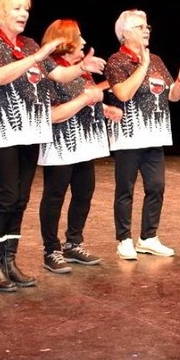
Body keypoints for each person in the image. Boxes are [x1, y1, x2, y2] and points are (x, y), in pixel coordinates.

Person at [0, 0, 105, 291]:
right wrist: (37, 56)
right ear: (0, 11)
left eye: (27, 9)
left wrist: (81, 68)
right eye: (17, 8)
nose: (24, 14)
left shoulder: (29, 43)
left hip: (31, 130)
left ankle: (9, 262)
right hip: (5, 130)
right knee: (6, 197)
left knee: (20, 199)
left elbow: (56, 76)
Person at [106, 10, 180, 260]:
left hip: (155, 136)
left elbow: (172, 96)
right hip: (129, 137)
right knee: (126, 189)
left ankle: (148, 237)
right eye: (140, 26)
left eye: (147, 26)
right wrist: (142, 65)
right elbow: (123, 94)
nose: (146, 30)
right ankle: (124, 240)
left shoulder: (156, 59)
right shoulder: (116, 61)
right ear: (124, 33)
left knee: (156, 186)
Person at [37, 19, 111, 274]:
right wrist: (86, 98)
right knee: (55, 196)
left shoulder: (82, 71)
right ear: (65, 41)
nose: (83, 41)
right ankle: (51, 250)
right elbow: (54, 114)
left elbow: (86, 98)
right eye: (78, 37)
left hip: (84, 144)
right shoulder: (49, 69)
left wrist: (104, 106)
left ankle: (73, 243)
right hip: (59, 144)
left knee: (84, 191)